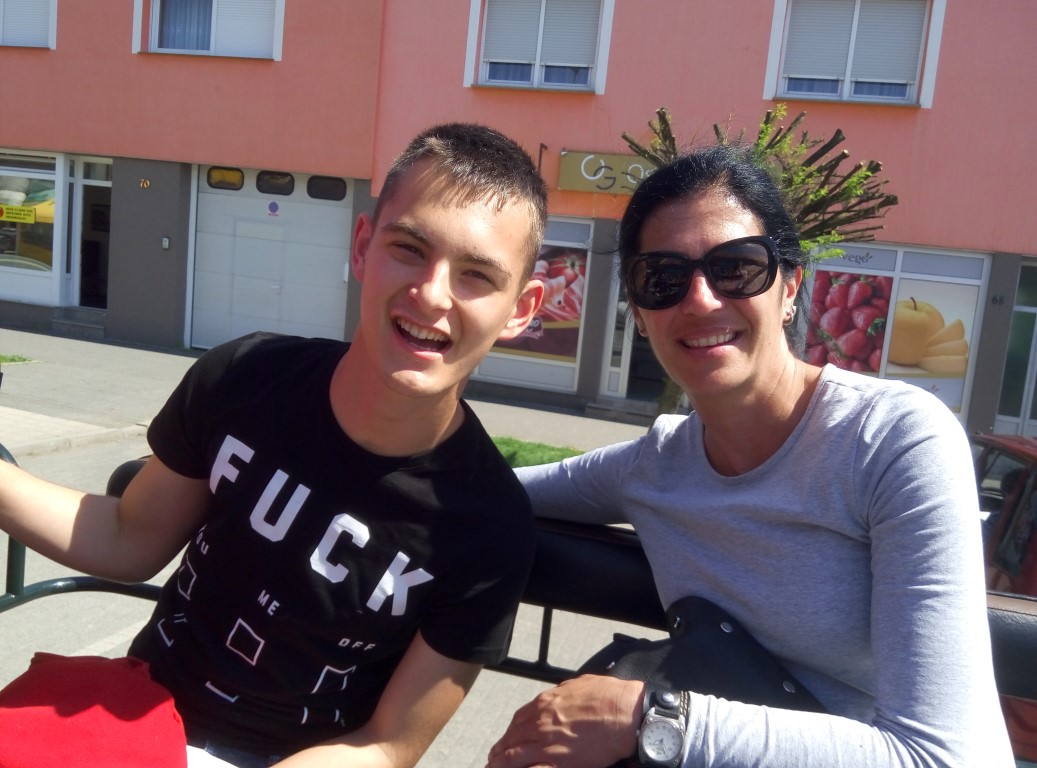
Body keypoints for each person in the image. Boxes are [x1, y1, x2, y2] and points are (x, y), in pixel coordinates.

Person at [0, 122, 548, 767]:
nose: (431, 294)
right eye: (409, 248)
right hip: (133, 723)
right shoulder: (245, 376)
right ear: (363, 246)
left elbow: (388, 744)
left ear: (521, 308)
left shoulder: (489, 529)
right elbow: (128, 537)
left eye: (477, 275)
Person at [486, 144, 1014, 767]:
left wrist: (650, 718)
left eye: (736, 267)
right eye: (662, 278)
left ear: (789, 288)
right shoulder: (655, 465)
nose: (701, 300)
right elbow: (495, 489)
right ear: (641, 315)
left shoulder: (894, 442)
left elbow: (951, 757)